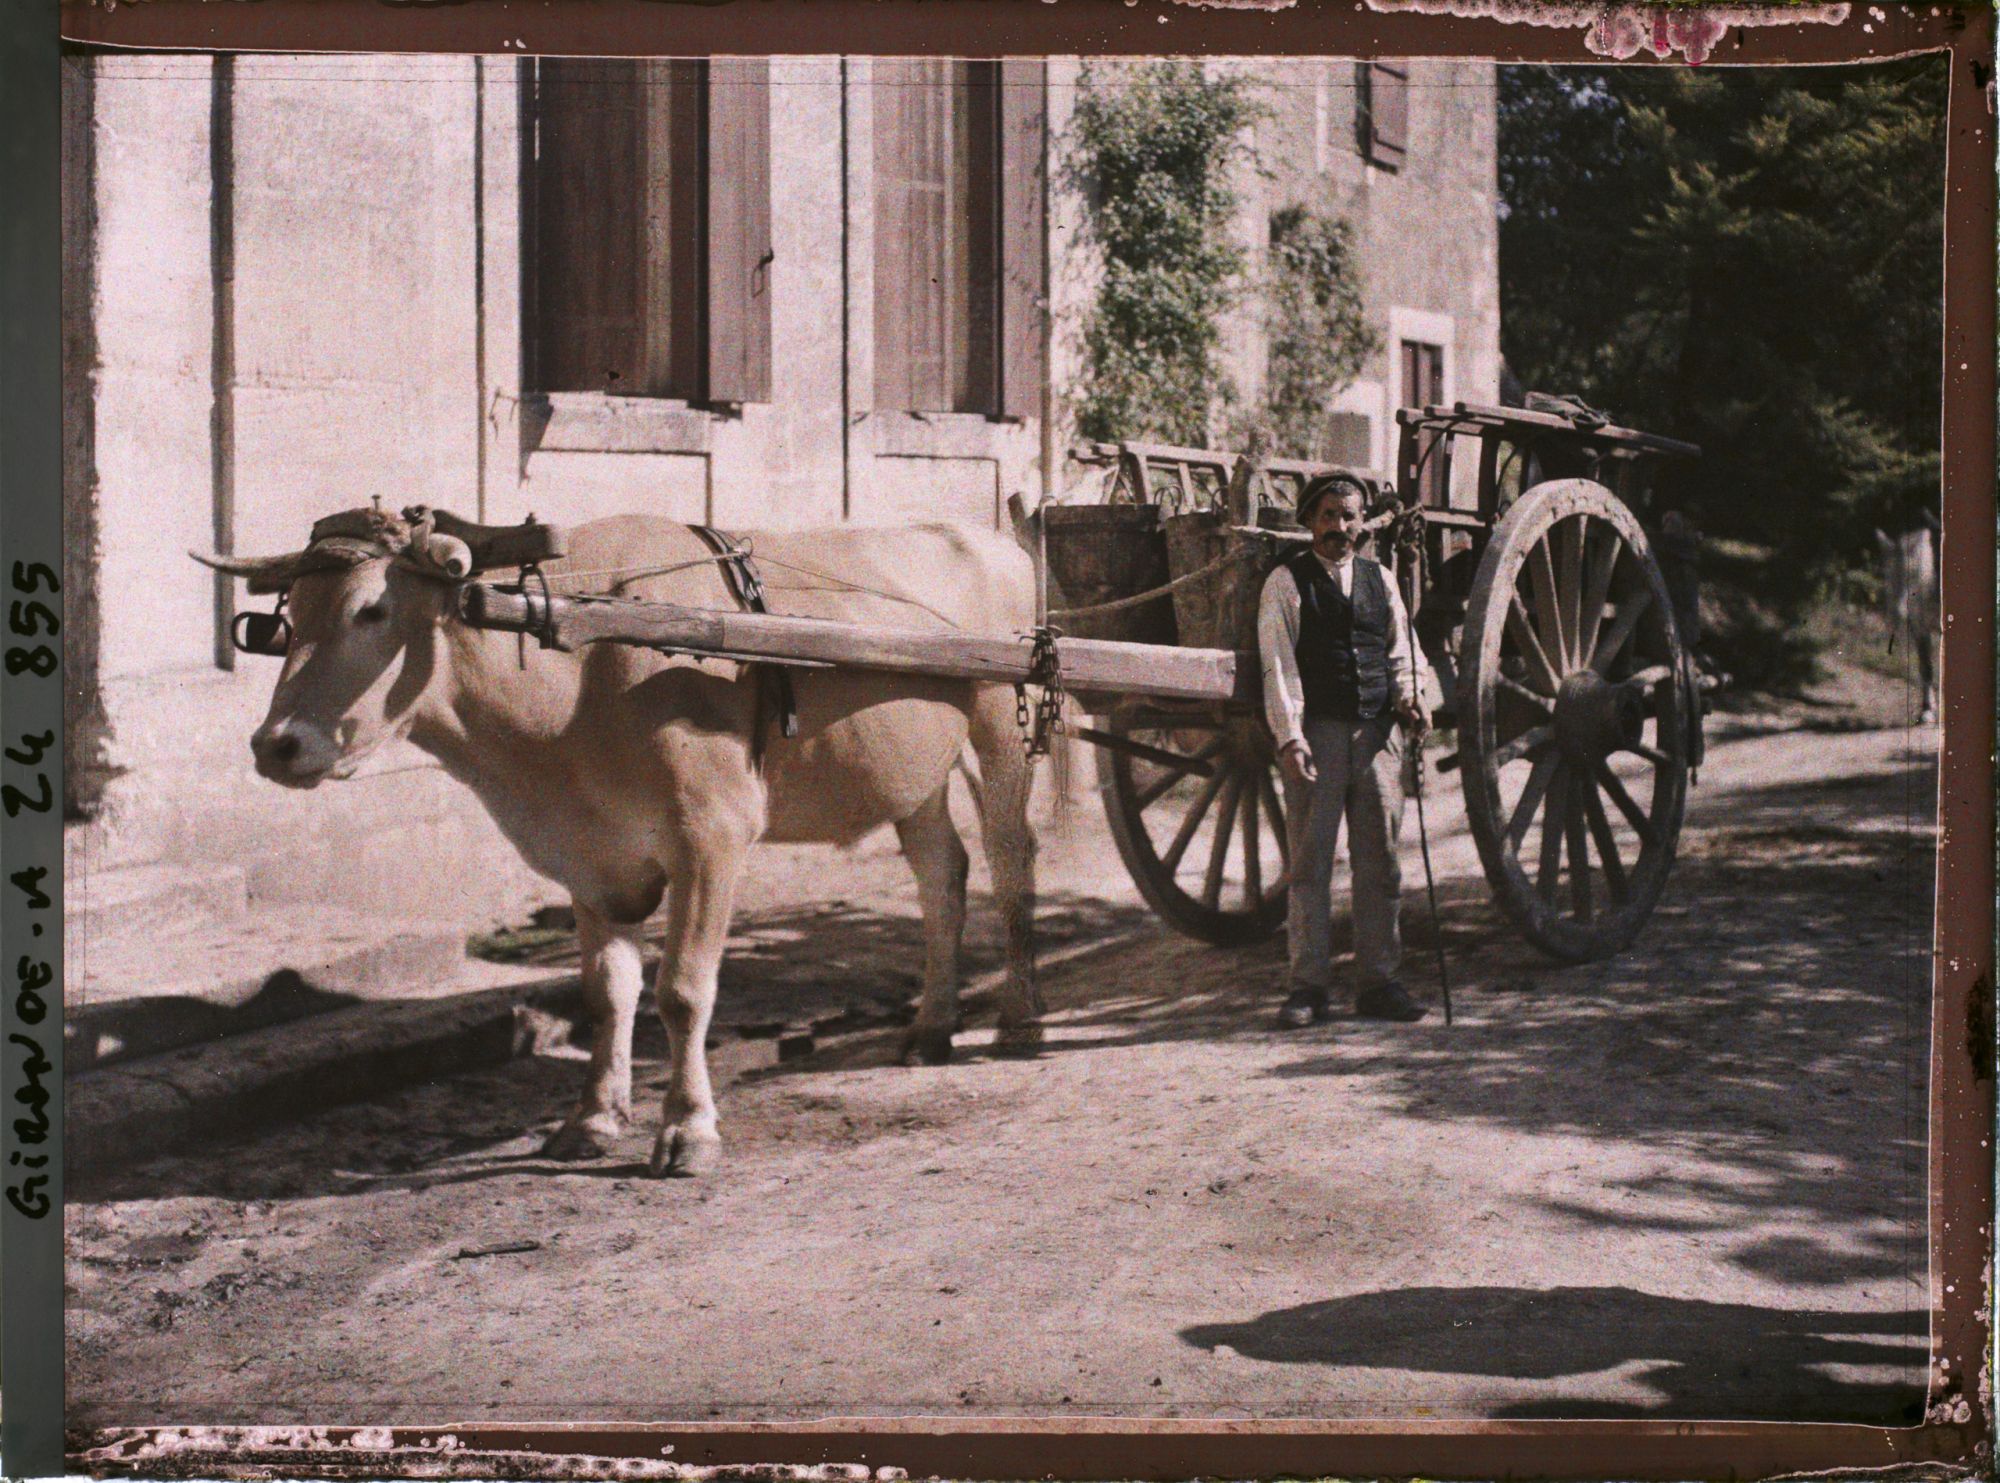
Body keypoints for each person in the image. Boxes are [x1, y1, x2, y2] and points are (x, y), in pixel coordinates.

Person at [1257, 473, 1431, 1026]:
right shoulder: (1286, 582)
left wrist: (1410, 697)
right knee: (1310, 866)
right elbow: (1278, 664)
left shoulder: (1381, 579)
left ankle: (1379, 983)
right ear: (1310, 521)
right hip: (1321, 736)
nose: (1340, 527)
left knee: (1379, 861)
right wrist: (1290, 736)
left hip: (1378, 736)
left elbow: (1401, 647)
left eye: (1350, 516)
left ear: (1363, 523)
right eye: (1329, 515)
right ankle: (1308, 989)